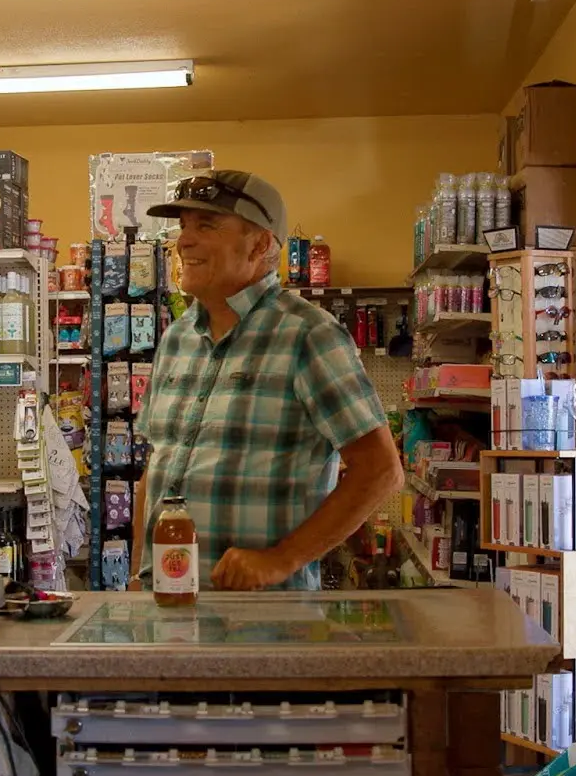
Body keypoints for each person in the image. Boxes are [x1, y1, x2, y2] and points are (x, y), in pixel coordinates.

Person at [133, 170, 404, 591]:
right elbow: (158, 466)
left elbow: (381, 470)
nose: (184, 240)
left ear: (260, 245)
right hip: (167, 601)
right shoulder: (176, 338)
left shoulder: (309, 334)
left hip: (263, 615)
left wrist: (283, 558)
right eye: (184, 226)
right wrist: (139, 575)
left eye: (207, 225)